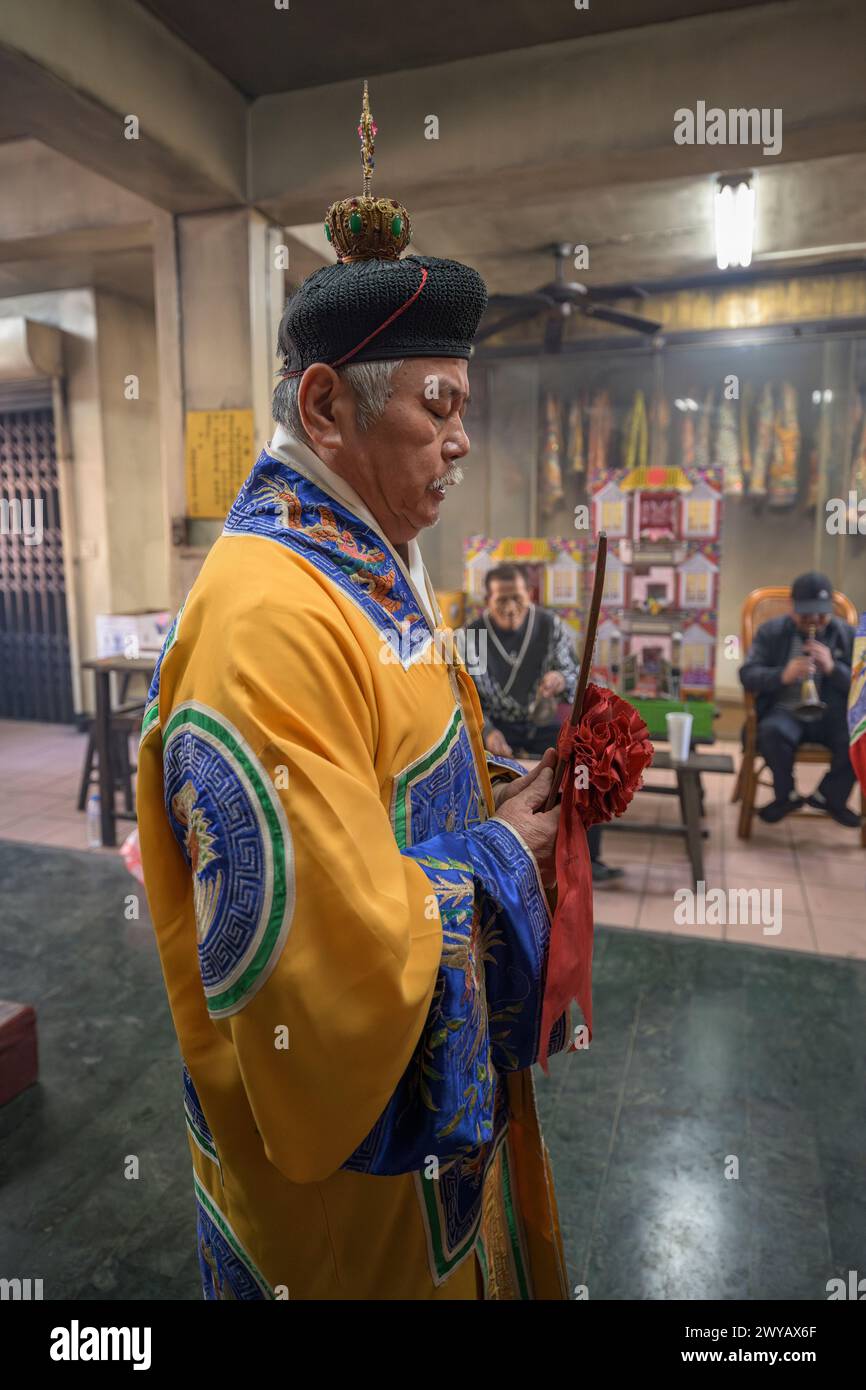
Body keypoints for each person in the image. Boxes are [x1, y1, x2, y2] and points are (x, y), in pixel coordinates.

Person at [136, 94, 576, 1301]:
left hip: (422, 1155)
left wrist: (508, 796)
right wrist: (496, 852)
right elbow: (312, 964)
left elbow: (400, 775)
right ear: (325, 406)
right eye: (434, 407)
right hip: (343, 1180)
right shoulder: (267, 615)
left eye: (461, 412)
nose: (458, 443)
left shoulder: (364, 564)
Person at [464, 563, 624, 883]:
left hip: (541, 721)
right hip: (496, 724)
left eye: (518, 599)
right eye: (501, 601)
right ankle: (489, 854)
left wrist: (560, 678)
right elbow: (465, 695)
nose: (510, 608)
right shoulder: (473, 635)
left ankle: (586, 857)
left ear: (530, 595)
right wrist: (488, 729)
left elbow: (579, 676)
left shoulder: (550, 626)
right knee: (467, 758)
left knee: (588, 758)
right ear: (487, 600)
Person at [739, 570, 859, 827]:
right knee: (771, 732)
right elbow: (748, 674)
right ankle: (786, 795)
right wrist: (783, 675)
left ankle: (830, 796)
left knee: (860, 735)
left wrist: (833, 668)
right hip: (785, 711)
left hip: (832, 714)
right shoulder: (771, 632)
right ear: (791, 607)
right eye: (806, 613)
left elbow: (862, 686)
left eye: (821, 613)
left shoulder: (847, 635)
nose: (814, 619)